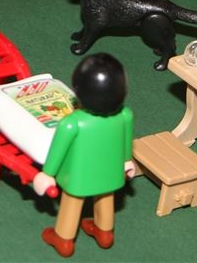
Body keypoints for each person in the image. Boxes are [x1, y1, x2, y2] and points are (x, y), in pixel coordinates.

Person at [32, 53, 134, 257]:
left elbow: (57, 152)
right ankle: (105, 232)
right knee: (105, 196)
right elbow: (126, 142)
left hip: (78, 176)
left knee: (72, 202)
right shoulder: (125, 115)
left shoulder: (72, 123)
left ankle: (63, 238)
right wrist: (126, 161)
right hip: (110, 172)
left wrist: (47, 173)